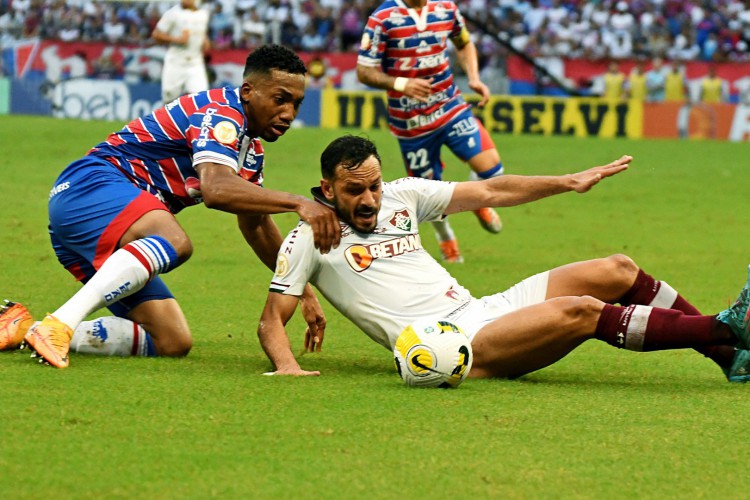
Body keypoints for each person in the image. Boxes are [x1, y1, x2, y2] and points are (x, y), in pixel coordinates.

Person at [256, 135, 750, 383]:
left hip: (484, 308)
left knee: (616, 269)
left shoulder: (403, 197)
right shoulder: (308, 239)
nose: (369, 200)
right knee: (579, 311)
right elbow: (270, 320)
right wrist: (287, 367)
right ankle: (725, 327)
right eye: (354, 190)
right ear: (327, 189)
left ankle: (729, 357)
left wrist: (569, 181)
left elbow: (492, 187)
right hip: (453, 347)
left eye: (374, 186)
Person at [0, 45, 340, 368]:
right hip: (90, 188)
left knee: (171, 341)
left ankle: (28, 329)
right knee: (176, 242)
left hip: (109, 223)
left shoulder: (250, 152)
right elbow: (216, 189)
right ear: (249, 91)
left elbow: (256, 226)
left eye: (296, 103)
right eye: (280, 100)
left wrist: (302, 290)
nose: (289, 114)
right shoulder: (221, 112)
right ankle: (60, 324)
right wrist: (299, 203)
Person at [356, 0, 503, 265]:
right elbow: (364, 71)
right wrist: (401, 83)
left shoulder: (446, 8)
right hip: (412, 123)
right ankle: (446, 239)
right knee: (430, 196)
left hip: (449, 105)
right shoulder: (383, 18)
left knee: (493, 169)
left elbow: (464, 42)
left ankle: (476, 200)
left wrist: (474, 77)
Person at [152, 0, 211, 103]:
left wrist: (205, 41)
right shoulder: (173, 13)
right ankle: (168, 118)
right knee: (169, 100)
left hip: (195, 62)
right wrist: (177, 40)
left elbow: (201, 32)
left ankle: (192, 119)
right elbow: (156, 35)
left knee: (201, 99)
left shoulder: (203, 14)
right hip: (176, 61)